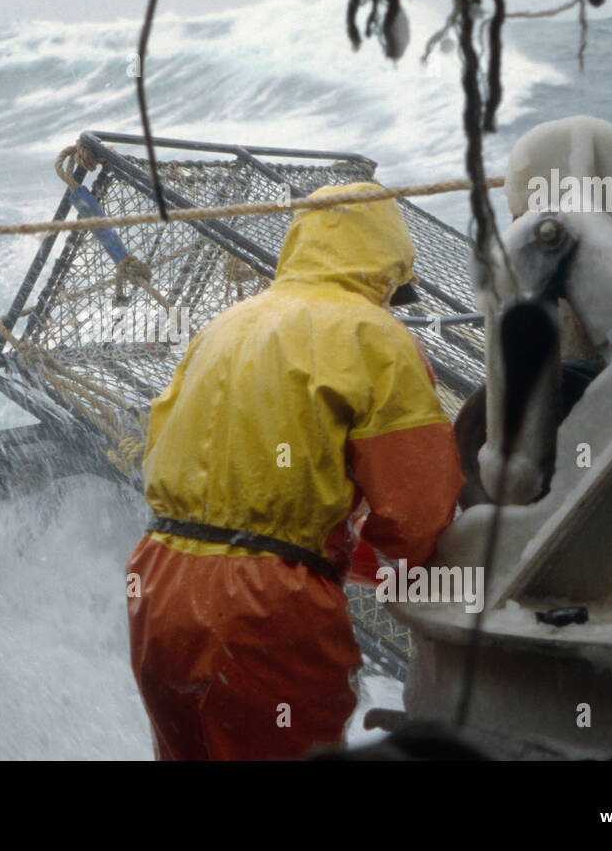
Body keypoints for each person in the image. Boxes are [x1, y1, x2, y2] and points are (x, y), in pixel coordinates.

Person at [126, 182, 462, 760]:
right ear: (386, 268)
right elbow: (414, 515)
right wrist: (386, 572)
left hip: (158, 581)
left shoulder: (225, 325)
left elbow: (161, 448)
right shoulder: (375, 336)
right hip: (266, 606)